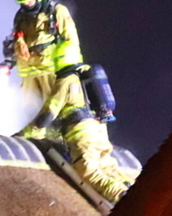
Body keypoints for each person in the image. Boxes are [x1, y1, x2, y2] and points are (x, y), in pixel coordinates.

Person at [17, 65, 133, 203]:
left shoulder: (67, 79)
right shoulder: (86, 73)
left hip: (83, 135)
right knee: (107, 167)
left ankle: (121, 196)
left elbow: (47, 115)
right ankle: (128, 185)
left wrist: (23, 135)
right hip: (100, 132)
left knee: (87, 172)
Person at [5, 0, 82, 140]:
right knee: (30, 111)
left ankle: (56, 141)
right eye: (23, 2)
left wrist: (71, 69)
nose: (26, 5)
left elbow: (71, 39)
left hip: (49, 69)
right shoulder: (21, 16)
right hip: (28, 73)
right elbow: (16, 38)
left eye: (29, 1)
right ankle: (36, 141)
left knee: (51, 110)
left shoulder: (57, 12)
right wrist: (10, 58)